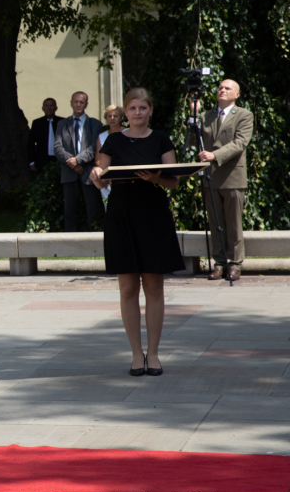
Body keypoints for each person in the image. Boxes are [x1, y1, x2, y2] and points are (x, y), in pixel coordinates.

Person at [91, 88, 184, 377]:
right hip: (122, 215)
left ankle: (153, 354)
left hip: (153, 214)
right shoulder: (113, 140)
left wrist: (157, 178)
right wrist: (95, 175)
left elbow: (174, 182)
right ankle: (135, 354)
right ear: (125, 112)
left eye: (143, 108)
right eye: (132, 108)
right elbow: (100, 180)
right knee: (128, 288)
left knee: (154, 288)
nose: (137, 113)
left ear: (150, 110)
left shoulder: (161, 139)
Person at [196, 79, 254, 281]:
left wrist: (215, 155)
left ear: (236, 94)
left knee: (233, 223)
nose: (222, 90)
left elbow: (240, 143)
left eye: (227, 88)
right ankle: (219, 264)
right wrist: (193, 117)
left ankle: (235, 264)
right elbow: (196, 140)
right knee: (216, 223)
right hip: (211, 177)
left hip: (232, 176)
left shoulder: (244, 115)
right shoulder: (206, 116)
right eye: (220, 87)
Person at [54, 91, 103, 232]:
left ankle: (95, 237)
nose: (78, 104)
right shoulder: (62, 124)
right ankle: (71, 240)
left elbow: (94, 147)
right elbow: (57, 148)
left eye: (82, 102)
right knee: (69, 209)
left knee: (93, 208)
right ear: (71, 103)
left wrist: (77, 160)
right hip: (69, 173)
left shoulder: (95, 124)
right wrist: (73, 164)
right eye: (76, 101)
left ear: (86, 104)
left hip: (89, 173)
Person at [95, 105, 125, 206]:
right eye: (109, 116)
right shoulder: (102, 136)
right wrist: (107, 173)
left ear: (121, 118)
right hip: (107, 179)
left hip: (124, 177)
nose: (112, 118)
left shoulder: (128, 132)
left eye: (115, 116)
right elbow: (98, 159)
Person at [27, 98, 59, 172]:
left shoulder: (62, 122)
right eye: (46, 106)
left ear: (56, 108)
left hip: (59, 160)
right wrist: (32, 162)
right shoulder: (37, 123)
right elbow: (30, 144)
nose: (49, 108)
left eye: (51, 105)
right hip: (41, 161)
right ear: (43, 108)